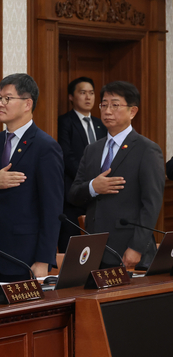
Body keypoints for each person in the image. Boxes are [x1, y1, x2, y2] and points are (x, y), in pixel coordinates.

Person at [0, 73, 64, 282]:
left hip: (24, 255)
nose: (0, 104)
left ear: (27, 104)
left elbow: (52, 208)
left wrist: (44, 259)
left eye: (7, 98)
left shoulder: (45, 147)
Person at [68, 81, 165, 269]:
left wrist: (136, 247)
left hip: (128, 250)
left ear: (133, 111)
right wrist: (92, 188)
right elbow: (74, 194)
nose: (107, 111)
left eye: (115, 105)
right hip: (94, 250)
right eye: (104, 105)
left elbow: (151, 205)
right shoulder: (92, 150)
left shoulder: (147, 149)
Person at [56, 77, 106, 252]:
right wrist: (88, 179)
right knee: (72, 246)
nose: (88, 97)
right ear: (71, 97)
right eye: (82, 92)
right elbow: (66, 155)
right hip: (73, 193)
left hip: (98, 193)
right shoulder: (64, 122)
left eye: (91, 93)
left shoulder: (100, 124)